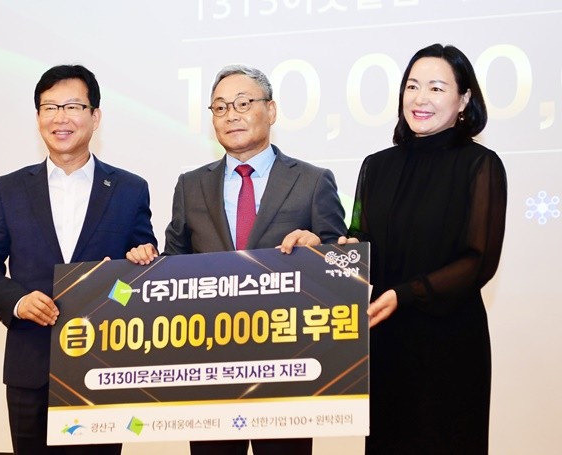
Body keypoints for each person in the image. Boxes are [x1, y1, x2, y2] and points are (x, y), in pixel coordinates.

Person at [127, 64, 347, 455]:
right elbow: (175, 266)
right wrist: (147, 261)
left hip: (288, 364)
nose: (231, 115)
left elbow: (340, 261)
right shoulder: (190, 185)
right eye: (220, 107)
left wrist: (319, 248)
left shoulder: (313, 181)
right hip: (210, 366)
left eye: (243, 103)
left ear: (271, 110)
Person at [0, 64, 157, 455]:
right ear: (38, 117)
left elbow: (142, 268)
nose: (60, 117)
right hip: (30, 365)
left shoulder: (129, 189)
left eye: (72, 106)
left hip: (103, 366)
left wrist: (143, 260)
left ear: (95, 116)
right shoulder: (10, 189)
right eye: (49, 107)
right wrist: (18, 301)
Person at [343, 44, 507, 454]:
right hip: (385, 341)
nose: (420, 98)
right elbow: (358, 234)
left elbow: (478, 261)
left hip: (450, 343)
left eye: (436, 88)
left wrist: (406, 293)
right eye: (412, 86)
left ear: (464, 99)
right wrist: (331, 249)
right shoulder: (375, 166)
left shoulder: (480, 165)